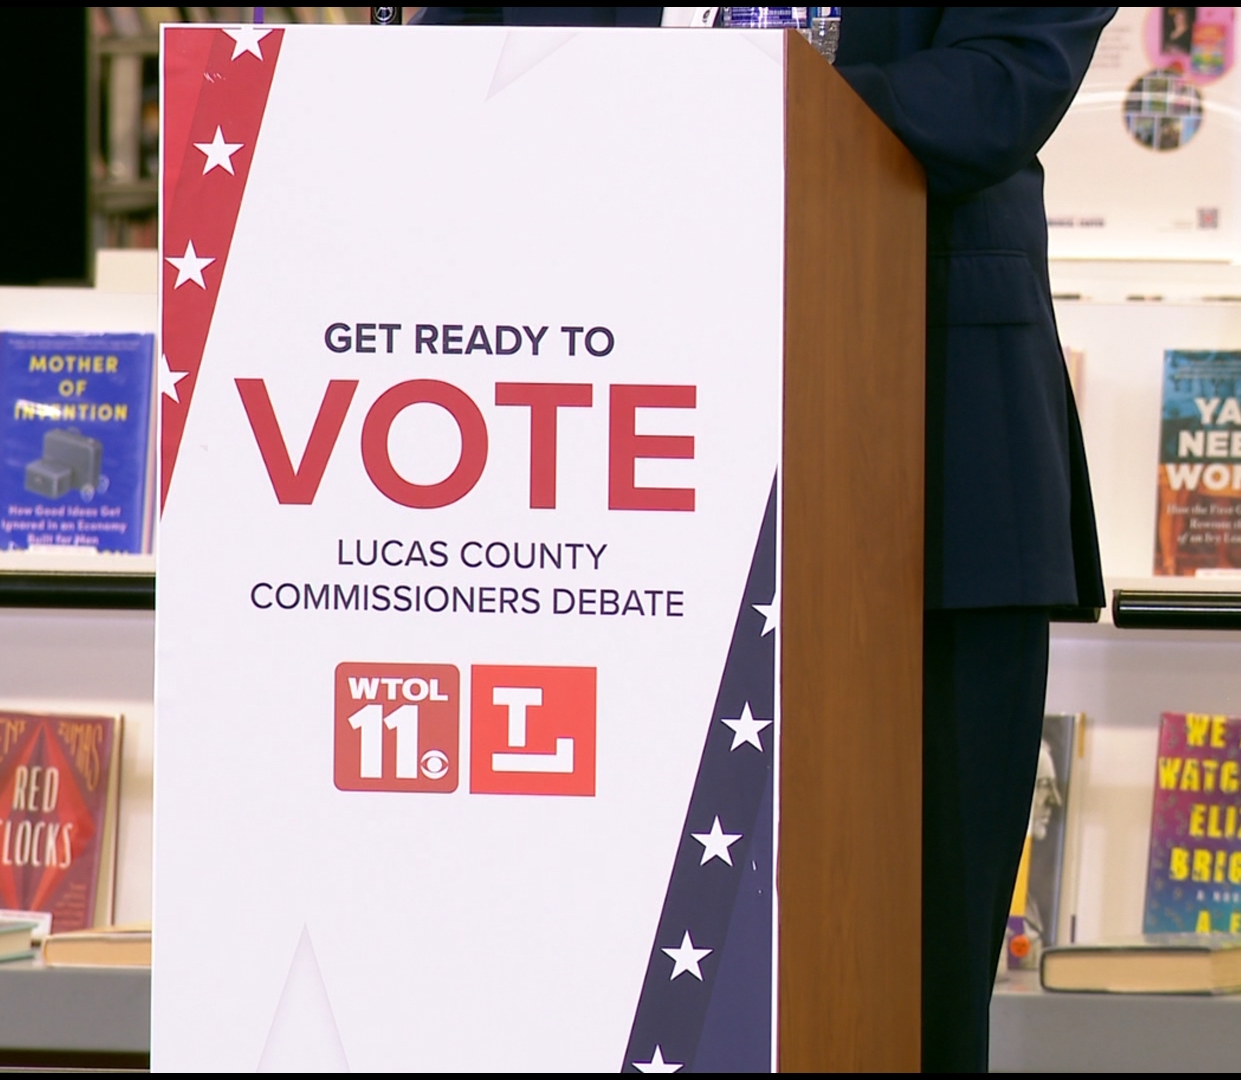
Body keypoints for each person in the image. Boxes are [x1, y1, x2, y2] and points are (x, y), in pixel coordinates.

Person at [415, 8, 1113, 1071]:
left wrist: (711, 105)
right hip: (603, 452)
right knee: (589, 952)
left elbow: (1007, 82)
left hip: (933, 456)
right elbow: (455, 46)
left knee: (909, 986)